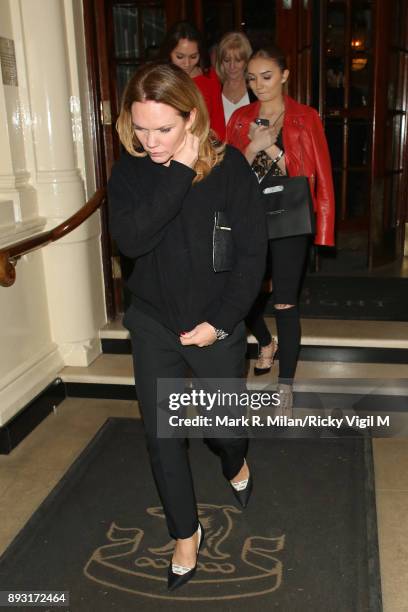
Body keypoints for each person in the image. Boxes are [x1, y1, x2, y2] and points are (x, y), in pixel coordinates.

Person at [108, 62, 267, 591]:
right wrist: (176, 168)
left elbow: (251, 257)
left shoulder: (231, 168)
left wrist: (221, 324)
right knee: (163, 437)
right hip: (154, 324)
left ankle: (234, 459)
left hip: (213, 325)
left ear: (191, 119)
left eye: (164, 129)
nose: (150, 140)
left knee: (225, 429)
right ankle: (184, 532)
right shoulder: (134, 169)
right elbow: (131, 241)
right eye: (141, 128)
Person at [226, 45, 335, 414]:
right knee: (242, 296)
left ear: (285, 75)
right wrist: (252, 146)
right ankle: (265, 342)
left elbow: (317, 175)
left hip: (290, 220)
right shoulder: (241, 118)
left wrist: (271, 150)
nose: (258, 84)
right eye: (252, 78)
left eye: (267, 76)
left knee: (285, 302)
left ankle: (285, 385)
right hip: (250, 218)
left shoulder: (305, 117)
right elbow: (228, 173)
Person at [160, 21, 225, 140]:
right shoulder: (161, 78)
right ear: (169, 52)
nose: (187, 63)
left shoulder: (209, 77)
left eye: (193, 57)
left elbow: (218, 122)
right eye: (180, 57)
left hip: (204, 148)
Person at [215, 31, 256, 124]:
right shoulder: (214, 89)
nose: (232, 66)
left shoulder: (257, 90)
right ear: (221, 61)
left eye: (238, 60)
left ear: (247, 61)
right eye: (227, 60)